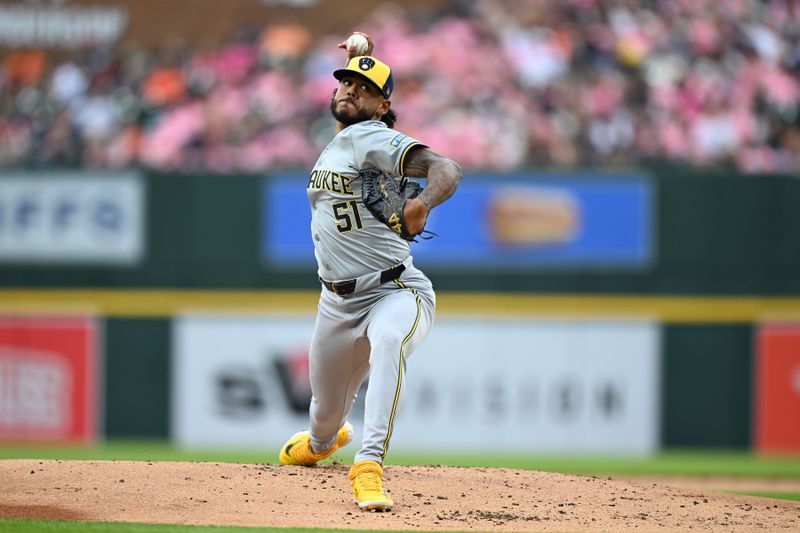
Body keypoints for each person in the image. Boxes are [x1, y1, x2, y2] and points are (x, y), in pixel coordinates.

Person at [277, 33, 462, 512]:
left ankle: (370, 463)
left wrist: (422, 202)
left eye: (363, 88)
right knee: (320, 426)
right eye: (344, 84)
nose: (349, 90)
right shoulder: (343, 141)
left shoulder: (372, 135)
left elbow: (447, 168)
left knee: (387, 344)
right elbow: (355, 103)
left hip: (394, 290)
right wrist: (360, 61)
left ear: (384, 105)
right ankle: (327, 440)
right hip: (335, 303)